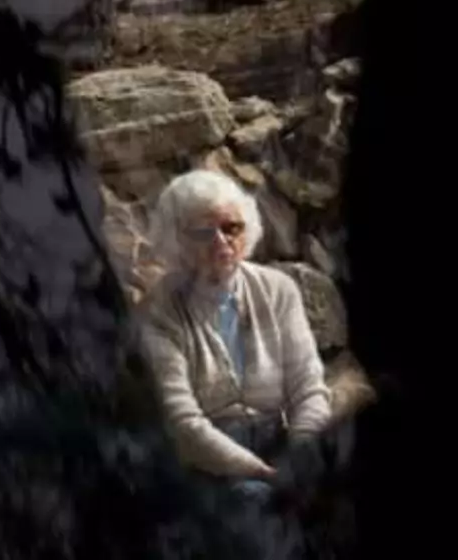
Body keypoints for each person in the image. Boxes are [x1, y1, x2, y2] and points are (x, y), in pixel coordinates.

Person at [138, 168, 332, 519]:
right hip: (207, 461)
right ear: (176, 240)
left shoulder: (278, 290)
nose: (221, 241)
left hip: (281, 444)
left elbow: (308, 388)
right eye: (203, 232)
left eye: (231, 228)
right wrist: (261, 472)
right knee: (254, 504)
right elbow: (183, 423)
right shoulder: (159, 311)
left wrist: (302, 455)